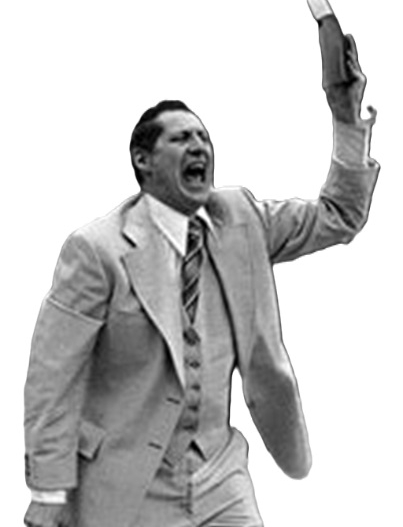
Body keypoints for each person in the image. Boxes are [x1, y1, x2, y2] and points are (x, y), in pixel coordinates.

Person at [24, 35, 379, 527]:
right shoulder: (96, 251)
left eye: (204, 137)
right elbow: (53, 375)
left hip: (219, 474)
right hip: (128, 480)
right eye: (181, 138)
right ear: (143, 160)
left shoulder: (242, 219)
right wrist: (48, 489)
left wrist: (345, 117)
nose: (199, 146)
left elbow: (340, 217)